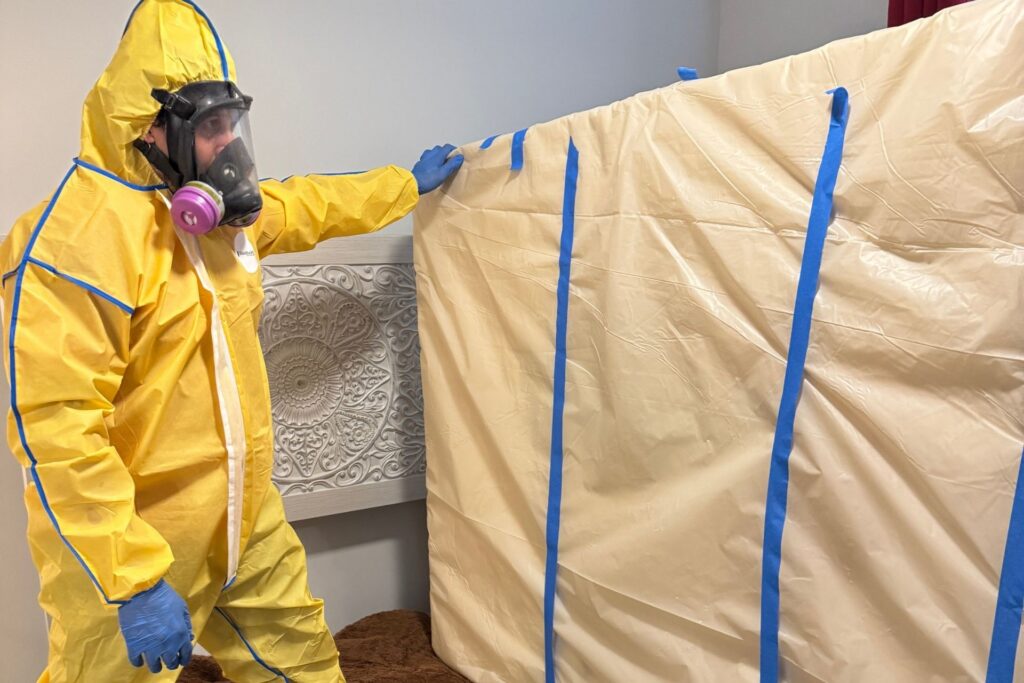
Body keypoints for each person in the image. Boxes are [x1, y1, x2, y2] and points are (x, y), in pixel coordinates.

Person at [0, 1, 462, 681]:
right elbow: (57, 430)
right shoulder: (70, 245)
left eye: (230, 122)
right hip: (137, 544)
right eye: (209, 127)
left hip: (245, 520)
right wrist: (130, 576)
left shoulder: (212, 217)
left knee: (304, 659)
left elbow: (308, 205)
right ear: (151, 126)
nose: (229, 146)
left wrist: (404, 186)